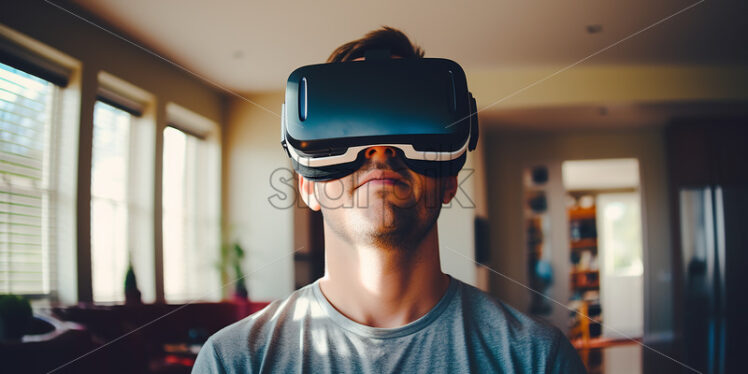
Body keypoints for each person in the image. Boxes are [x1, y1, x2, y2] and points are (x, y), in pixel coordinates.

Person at [192, 26, 587, 374]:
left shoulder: (536, 359)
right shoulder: (234, 362)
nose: (379, 150)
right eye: (347, 129)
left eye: (404, 120)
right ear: (306, 186)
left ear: (450, 181)